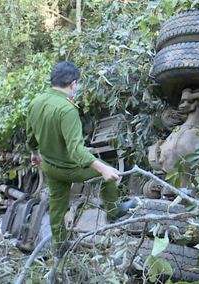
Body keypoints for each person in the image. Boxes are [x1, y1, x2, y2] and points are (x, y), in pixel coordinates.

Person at [26, 61, 135, 256]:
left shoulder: (36, 102)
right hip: (70, 168)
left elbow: (31, 136)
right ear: (73, 84)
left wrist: (34, 154)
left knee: (57, 207)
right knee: (108, 170)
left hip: (50, 167)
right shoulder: (67, 109)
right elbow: (76, 150)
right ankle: (113, 211)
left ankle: (59, 246)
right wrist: (103, 169)